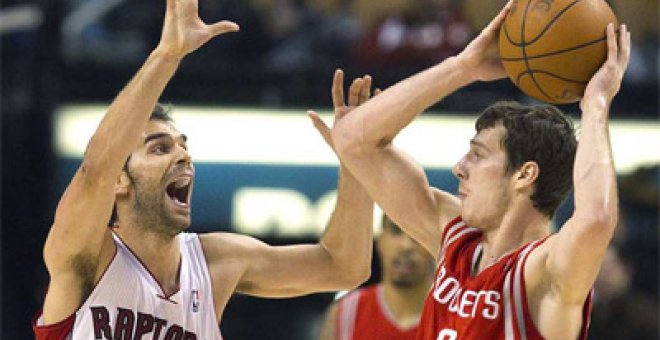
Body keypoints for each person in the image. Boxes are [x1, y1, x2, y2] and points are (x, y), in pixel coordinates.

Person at [32, 0, 379, 338]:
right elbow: (95, 172)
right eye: (159, 148)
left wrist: (357, 159)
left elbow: (343, 265)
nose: (183, 157)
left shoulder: (215, 263)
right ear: (120, 181)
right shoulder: (87, 254)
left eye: (184, 147)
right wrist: (167, 55)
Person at [313, 0, 632, 338]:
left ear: (524, 175)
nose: (458, 168)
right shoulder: (454, 239)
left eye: (477, 155)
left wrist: (596, 102)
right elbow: (352, 140)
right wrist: (464, 66)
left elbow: (596, 219)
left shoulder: (544, 271)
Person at [318, 214, 435, 340]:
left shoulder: (454, 315)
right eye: (395, 230)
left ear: (436, 245)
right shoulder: (345, 315)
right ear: (380, 240)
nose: (405, 245)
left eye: (418, 234)